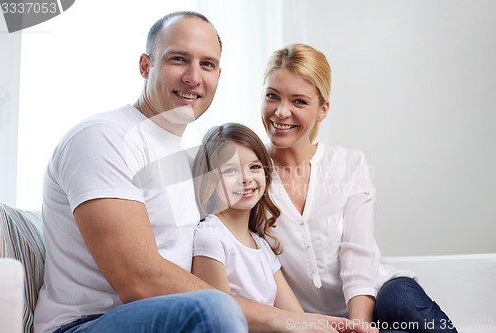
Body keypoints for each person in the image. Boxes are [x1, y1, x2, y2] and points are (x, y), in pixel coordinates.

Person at [34, 11, 366, 333]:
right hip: (89, 322)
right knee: (218, 308)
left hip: (174, 316)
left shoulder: (186, 161)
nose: (194, 77)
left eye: (207, 64)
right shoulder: (103, 137)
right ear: (145, 65)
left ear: (218, 75)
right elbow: (139, 280)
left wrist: (302, 318)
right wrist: (286, 320)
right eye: (178, 59)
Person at [260, 43, 458, 333]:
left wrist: (358, 328)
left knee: (407, 303)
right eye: (272, 96)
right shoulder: (249, 175)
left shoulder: (349, 164)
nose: (281, 112)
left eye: (299, 102)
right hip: (312, 318)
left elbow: (358, 253)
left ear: (322, 110)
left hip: (374, 297)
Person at [191, 123, 303, 312]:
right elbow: (222, 318)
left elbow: (297, 317)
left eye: (254, 167)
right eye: (230, 170)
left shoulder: (261, 244)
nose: (246, 178)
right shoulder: (210, 238)